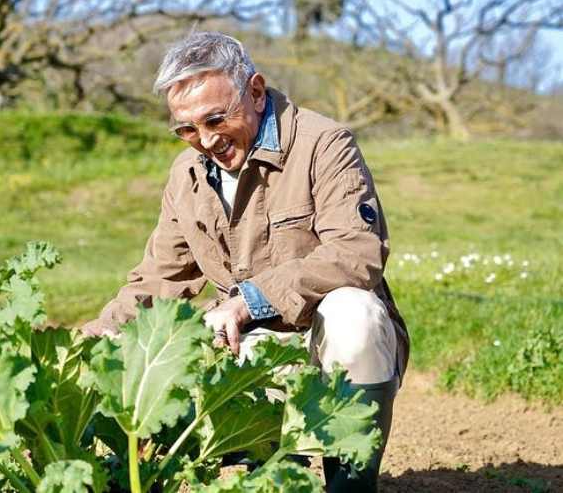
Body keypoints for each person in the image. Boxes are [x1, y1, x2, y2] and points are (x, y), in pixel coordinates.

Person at [81, 31, 409, 492]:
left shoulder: (324, 144)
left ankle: (349, 486)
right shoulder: (187, 174)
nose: (206, 140)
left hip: (320, 350)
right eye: (187, 129)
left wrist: (246, 302)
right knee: (142, 360)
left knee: (356, 314)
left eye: (216, 118)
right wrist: (93, 335)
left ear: (255, 91)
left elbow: (356, 252)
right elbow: (161, 278)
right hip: (247, 355)